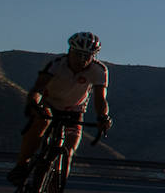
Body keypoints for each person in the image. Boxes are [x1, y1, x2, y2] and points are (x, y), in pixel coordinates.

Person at [6, 31, 112, 184]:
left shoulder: (99, 70)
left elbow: (100, 99)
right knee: (40, 123)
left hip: (74, 110)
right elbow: (38, 88)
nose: (81, 60)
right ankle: (21, 165)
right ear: (70, 51)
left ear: (93, 56)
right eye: (78, 54)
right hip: (49, 104)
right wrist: (34, 104)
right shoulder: (56, 63)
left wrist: (103, 117)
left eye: (87, 56)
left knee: (68, 153)